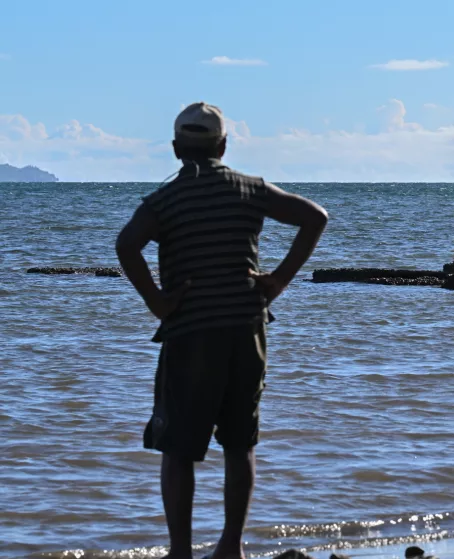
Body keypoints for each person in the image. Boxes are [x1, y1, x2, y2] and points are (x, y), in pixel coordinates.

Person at [115, 102, 328, 559]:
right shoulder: (249, 189)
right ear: (224, 145)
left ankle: (180, 552)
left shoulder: (163, 201)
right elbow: (315, 217)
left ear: (175, 148)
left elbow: (126, 245)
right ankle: (230, 546)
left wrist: (157, 301)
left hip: (190, 333)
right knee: (239, 441)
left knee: (177, 448)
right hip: (246, 331)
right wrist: (278, 280)